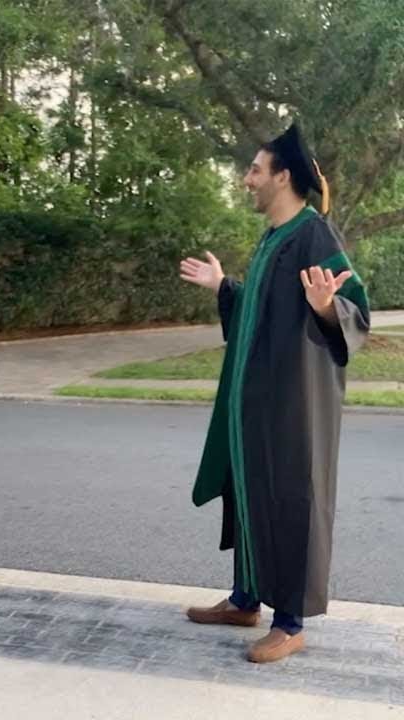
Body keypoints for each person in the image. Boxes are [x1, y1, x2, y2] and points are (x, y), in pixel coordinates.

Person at [178, 123, 370, 663]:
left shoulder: (315, 235)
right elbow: (261, 312)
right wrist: (224, 288)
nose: (247, 180)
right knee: (249, 492)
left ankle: (290, 621)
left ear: (283, 176)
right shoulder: (271, 240)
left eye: (255, 170)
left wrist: (327, 306)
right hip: (253, 405)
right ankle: (245, 601)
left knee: (292, 497)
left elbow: (357, 312)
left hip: (294, 405)